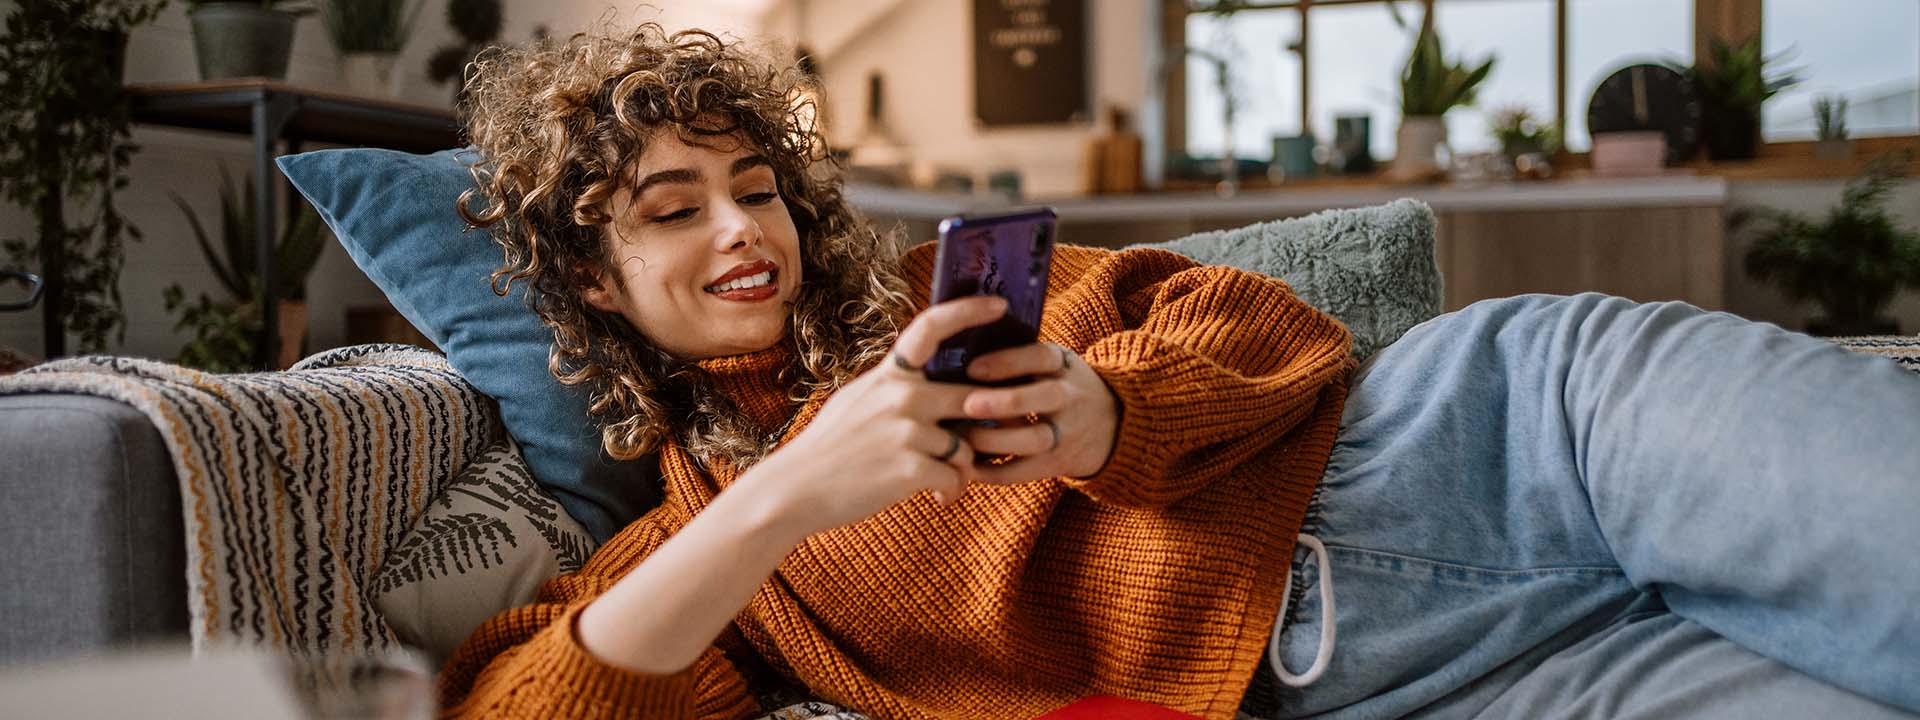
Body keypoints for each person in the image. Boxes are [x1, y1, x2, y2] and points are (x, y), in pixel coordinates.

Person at [439, 25, 1920, 720]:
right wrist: (784, 499)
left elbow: (1262, 327)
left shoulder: (931, 306)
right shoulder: (701, 554)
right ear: (589, 273)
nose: (741, 227)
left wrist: (1108, 412)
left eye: (753, 184)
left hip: (1516, 429)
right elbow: (528, 707)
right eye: (674, 208)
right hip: (1433, 688)